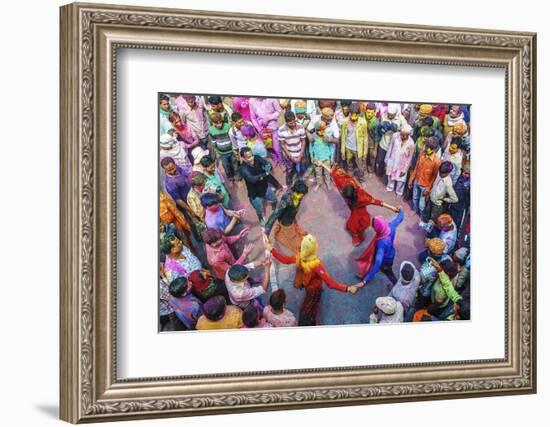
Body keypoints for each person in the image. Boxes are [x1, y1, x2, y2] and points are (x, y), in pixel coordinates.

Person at [264, 234, 361, 325]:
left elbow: (284, 260)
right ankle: (311, 323)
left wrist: (271, 249)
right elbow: (331, 283)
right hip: (314, 289)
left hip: (305, 284)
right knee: (309, 307)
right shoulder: (317, 265)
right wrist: (347, 288)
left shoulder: (298, 257)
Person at [316, 162, 398, 246]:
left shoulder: (362, 197)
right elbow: (333, 172)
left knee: (354, 226)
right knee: (352, 225)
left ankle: (358, 238)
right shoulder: (344, 182)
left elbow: (377, 202)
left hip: (360, 213)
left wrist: (392, 207)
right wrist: (321, 164)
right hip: (353, 210)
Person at [356, 208, 405, 286]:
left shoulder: (381, 243)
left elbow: (378, 263)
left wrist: (364, 281)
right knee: (375, 262)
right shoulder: (391, 226)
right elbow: (400, 217)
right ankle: (367, 273)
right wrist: (401, 210)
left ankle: (395, 284)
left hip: (385, 261)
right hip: (390, 253)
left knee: (388, 273)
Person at [239, 147, 282, 226]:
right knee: (259, 209)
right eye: (248, 157)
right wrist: (265, 173)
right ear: (243, 158)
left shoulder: (257, 158)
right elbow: (253, 179)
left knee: (274, 199)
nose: (252, 158)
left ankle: (274, 208)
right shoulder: (243, 169)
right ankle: (260, 217)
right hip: (254, 193)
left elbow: (267, 163)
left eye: (252, 155)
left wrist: (268, 166)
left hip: (265, 187)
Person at [264, 180, 309, 253]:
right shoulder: (287, 199)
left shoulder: (298, 195)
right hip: (286, 221)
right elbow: (275, 214)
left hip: (291, 216)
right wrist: (266, 232)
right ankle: (297, 245)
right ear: (296, 192)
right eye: (303, 194)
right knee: (292, 237)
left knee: (294, 225)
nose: (304, 196)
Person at [407, 137, 441, 216]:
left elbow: (434, 177)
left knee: (421, 204)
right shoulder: (421, 153)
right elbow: (416, 167)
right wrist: (411, 179)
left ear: (434, 149)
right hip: (417, 181)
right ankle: (415, 211)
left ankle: (421, 215)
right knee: (415, 198)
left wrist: (428, 188)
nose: (426, 149)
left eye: (429, 148)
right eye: (426, 146)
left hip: (425, 186)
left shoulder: (437, 161)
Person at [421, 161, 458, 227]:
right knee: (426, 214)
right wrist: (429, 193)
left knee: (434, 220)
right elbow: (434, 184)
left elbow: (455, 199)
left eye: (442, 173)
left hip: (437, 205)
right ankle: (425, 225)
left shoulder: (448, 183)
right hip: (430, 199)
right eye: (440, 172)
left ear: (448, 173)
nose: (440, 174)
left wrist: (444, 199)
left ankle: (430, 233)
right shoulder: (438, 175)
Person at [249, 97, 282, 163]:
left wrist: (268, 118)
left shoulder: (272, 98)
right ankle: (275, 160)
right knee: (269, 147)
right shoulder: (252, 100)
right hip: (262, 129)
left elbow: (279, 111)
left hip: (273, 127)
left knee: (277, 148)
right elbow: (253, 118)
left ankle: (282, 162)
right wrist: (259, 129)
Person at [278, 111, 307, 186]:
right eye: (290, 123)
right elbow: (282, 144)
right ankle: (289, 177)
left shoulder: (300, 126)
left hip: (299, 152)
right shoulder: (281, 130)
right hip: (289, 153)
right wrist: (290, 156)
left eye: (294, 122)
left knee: (300, 168)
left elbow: (303, 141)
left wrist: (300, 155)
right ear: (286, 122)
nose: (293, 124)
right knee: (290, 168)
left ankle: (299, 178)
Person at [384, 125, 415, 196]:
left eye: (405, 135)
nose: (402, 137)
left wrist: (405, 170)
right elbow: (390, 147)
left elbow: (409, 158)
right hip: (392, 160)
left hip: (402, 164)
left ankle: (399, 192)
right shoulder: (395, 136)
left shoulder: (411, 143)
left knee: (401, 180)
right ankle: (390, 187)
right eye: (401, 135)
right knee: (390, 175)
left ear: (409, 135)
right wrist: (387, 159)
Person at [340, 102, 368, 180]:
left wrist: (365, 152)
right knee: (349, 164)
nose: (353, 117)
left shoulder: (363, 122)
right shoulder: (345, 122)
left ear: (359, 114)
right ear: (349, 113)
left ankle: (361, 178)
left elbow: (365, 138)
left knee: (360, 166)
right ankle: (350, 177)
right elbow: (343, 137)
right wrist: (342, 150)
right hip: (348, 147)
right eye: (352, 114)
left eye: (356, 115)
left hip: (358, 149)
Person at [377, 103, 405, 177]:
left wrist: (398, 129)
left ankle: (388, 176)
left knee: (391, 163)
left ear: (395, 113)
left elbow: (408, 130)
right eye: (388, 114)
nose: (389, 116)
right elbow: (379, 128)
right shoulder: (383, 115)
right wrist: (381, 127)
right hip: (384, 143)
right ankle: (380, 173)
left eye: (391, 115)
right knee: (380, 160)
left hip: (394, 146)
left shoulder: (401, 118)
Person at [208, 112, 237, 184]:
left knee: (235, 164)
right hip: (222, 153)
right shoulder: (211, 130)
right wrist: (217, 152)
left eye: (220, 122)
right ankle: (230, 179)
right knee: (226, 166)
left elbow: (233, 138)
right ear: (213, 123)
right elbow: (213, 143)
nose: (219, 125)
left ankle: (238, 177)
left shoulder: (227, 126)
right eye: (216, 123)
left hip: (231, 150)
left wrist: (235, 148)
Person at [310, 120, 335, 191]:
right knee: (318, 172)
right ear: (316, 130)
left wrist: (332, 157)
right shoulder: (313, 137)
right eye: (320, 130)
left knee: (327, 173)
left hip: (326, 158)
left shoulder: (326, 136)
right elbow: (311, 147)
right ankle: (319, 183)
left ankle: (328, 183)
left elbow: (331, 147)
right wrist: (312, 156)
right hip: (317, 159)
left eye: (323, 130)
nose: (322, 132)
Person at [449, 159, 470, 234]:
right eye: (465, 172)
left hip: (460, 207)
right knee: (450, 219)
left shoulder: (469, 183)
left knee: (456, 223)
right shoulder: (459, 175)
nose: (466, 174)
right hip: (452, 204)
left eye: (468, 173)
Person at [364, 102, 382, 174]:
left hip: (372, 141)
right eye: (368, 112)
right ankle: (364, 168)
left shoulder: (376, 123)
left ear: (374, 112)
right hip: (363, 140)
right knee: (364, 156)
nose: (369, 115)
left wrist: (375, 149)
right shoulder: (363, 116)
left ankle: (371, 169)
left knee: (372, 157)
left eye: (371, 113)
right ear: (365, 111)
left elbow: (377, 137)